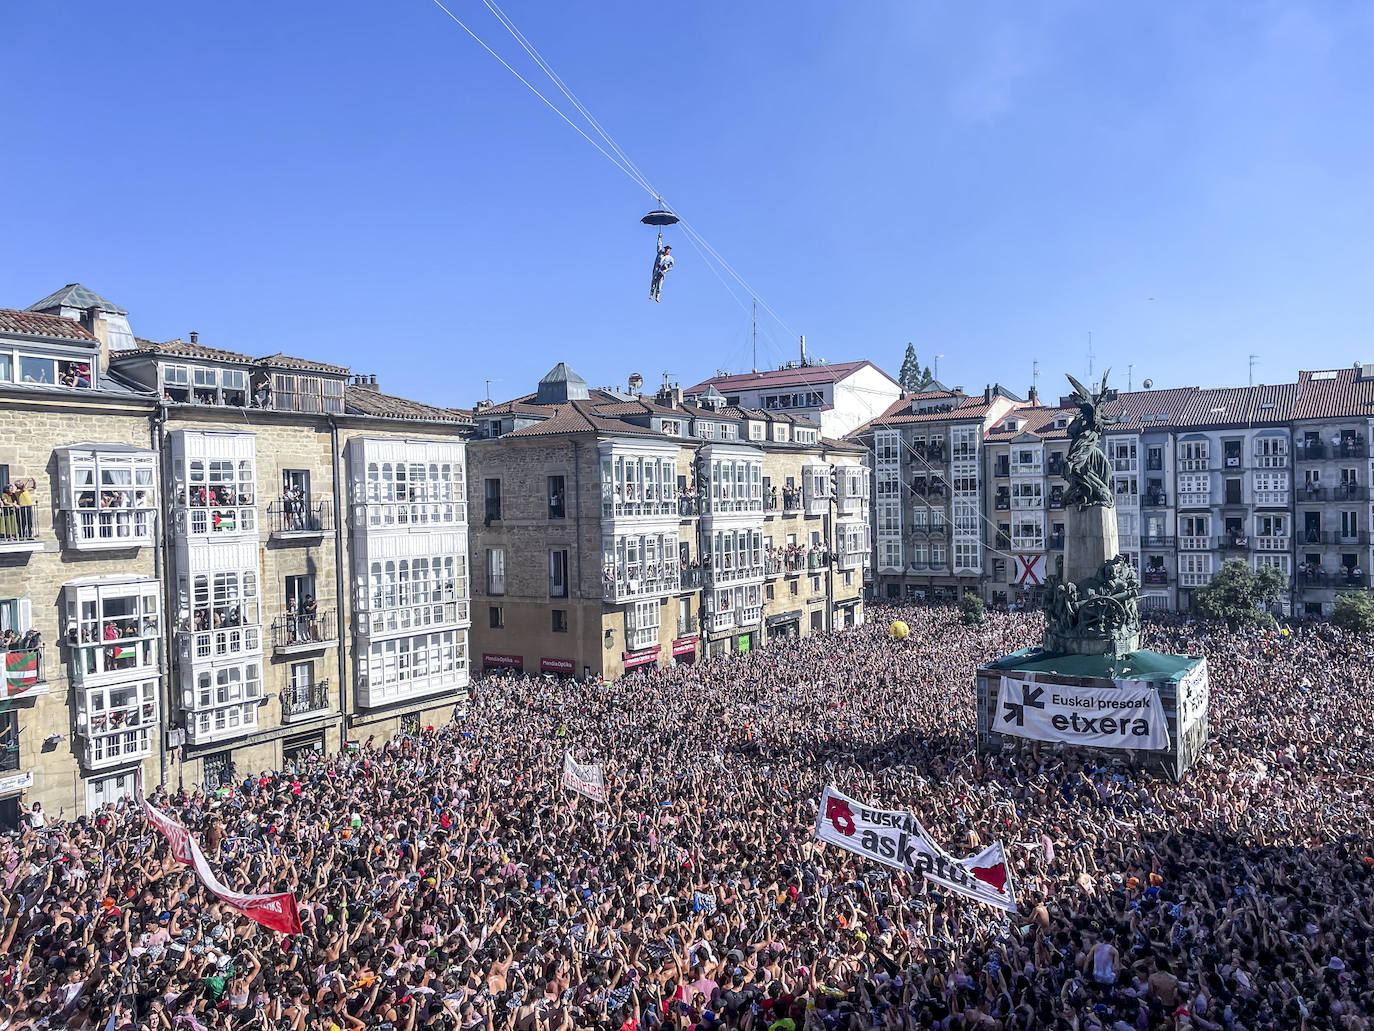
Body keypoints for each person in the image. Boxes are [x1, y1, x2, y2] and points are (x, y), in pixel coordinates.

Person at [650, 238, 673, 302]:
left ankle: (657, 296)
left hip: (662, 272)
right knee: (653, 282)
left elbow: (672, 267)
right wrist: (659, 238)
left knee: (659, 285)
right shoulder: (660, 253)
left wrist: (666, 270)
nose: (666, 250)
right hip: (656, 270)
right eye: (666, 249)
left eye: (668, 250)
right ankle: (651, 294)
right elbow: (659, 245)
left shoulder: (670, 258)